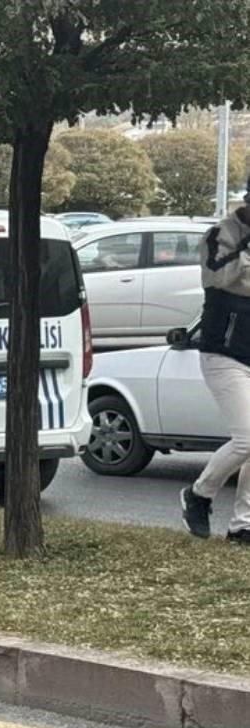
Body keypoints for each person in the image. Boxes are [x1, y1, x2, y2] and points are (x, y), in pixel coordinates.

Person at [181, 189, 250, 545]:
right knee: (246, 438)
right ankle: (200, 494)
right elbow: (217, 277)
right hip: (223, 354)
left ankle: (242, 525)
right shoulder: (220, 235)